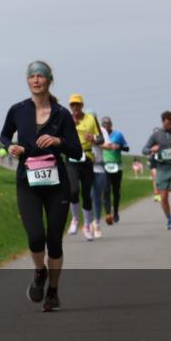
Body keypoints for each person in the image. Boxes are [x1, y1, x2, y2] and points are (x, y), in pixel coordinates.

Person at [0, 61, 83, 312]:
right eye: (32, 76)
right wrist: (10, 146)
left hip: (57, 184)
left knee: (54, 241)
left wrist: (58, 141)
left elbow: (76, 151)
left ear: (49, 80)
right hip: (27, 182)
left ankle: (53, 292)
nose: (36, 80)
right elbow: (4, 135)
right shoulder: (18, 110)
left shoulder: (61, 114)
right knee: (36, 236)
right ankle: (39, 271)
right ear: (28, 80)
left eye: (41, 76)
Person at [65, 93, 103, 240]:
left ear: (82, 105)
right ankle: (75, 219)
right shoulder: (66, 119)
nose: (75, 107)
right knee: (73, 190)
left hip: (87, 157)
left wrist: (93, 138)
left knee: (86, 194)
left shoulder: (91, 119)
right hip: (71, 158)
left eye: (77, 104)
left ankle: (87, 225)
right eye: (72, 105)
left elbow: (101, 139)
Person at [100, 116, 130, 225]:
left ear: (111, 124)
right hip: (104, 166)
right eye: (104, 125)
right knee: (106, 190)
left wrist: (119, 146)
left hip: (117, 166)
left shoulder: (118, 134)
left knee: (116, 191)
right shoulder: (100, 136)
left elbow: (127, 148)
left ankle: (116, 211)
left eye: (108, 124)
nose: (106, 126)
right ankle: (108, 213)